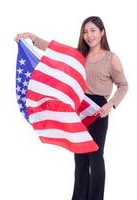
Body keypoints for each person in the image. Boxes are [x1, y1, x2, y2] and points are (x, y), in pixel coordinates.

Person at [14, 16, 128, 200]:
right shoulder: (78, 56)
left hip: (99, 111)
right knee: (80, 157)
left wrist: (110, 104)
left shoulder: (111, 58)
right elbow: (54, 52)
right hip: (78, 109)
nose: (89, 35)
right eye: (85, 31)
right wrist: (32, 38)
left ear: (102, 32)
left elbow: (123, 85)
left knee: (96, 157)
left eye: (93, 30)